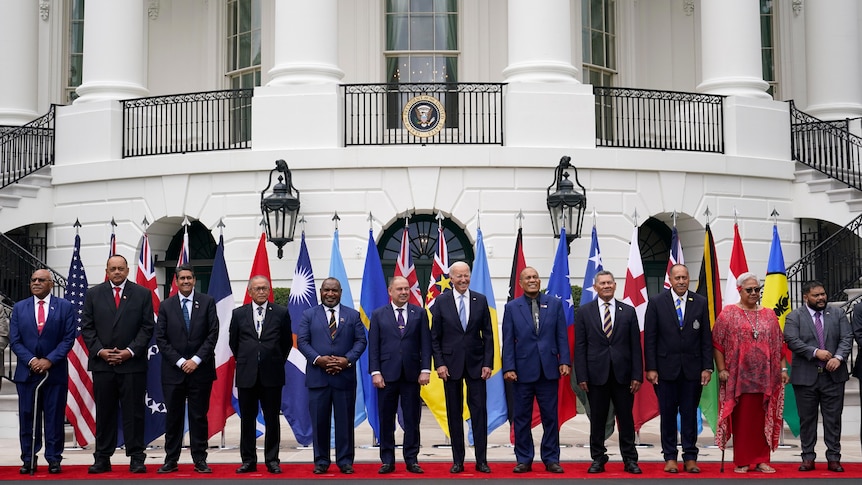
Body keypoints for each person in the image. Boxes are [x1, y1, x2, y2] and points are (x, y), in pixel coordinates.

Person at [81, 255, 154, 474]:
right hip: (103, 365)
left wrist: (129, 352)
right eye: (113, 269)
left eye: (121, 268)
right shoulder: (93, 294)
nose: (117, 272)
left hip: (132, 364)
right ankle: (102, 457)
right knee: (105, 413)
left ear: (128, 270)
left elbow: (147, 327)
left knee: (134, 413)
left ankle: (136, 457)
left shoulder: (142, 294)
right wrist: (101, 351)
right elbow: (87, 327)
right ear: (106, 270)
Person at [713, 272, 789, 474]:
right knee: (743, 422)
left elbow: (779, 345)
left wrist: (783, 369)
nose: (755, 293)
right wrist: (721, 369)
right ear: (740, 291)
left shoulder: (769, 314)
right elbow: (717, 344)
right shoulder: (728, 313)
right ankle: (743, 461)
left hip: (766, 379)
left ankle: (762, 459)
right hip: (739, 379)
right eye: (750, 290)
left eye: (757, 289)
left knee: (763, 419)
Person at [643, 264, 712, 474]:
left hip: (692, 370)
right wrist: (651, 368)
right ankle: (670, 456)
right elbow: (650, 338)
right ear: (670, 280)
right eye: (677, 278)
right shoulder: (656, 302)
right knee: (669, 415)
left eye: (684, 277)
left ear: (688, 278)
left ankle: (690, 456)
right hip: (665, 371)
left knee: (690, 414)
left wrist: (707, 367)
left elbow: (705, 338)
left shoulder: (699, 302)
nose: (681, 281)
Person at [501, 266, 570, 474]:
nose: (532, 280)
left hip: (548, 370)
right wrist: (509, 367)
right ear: (521, 283)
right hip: (522, 372)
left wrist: (564, 360)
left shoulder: (555, 304)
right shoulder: (512, 308)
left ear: (540, 281)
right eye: (528, 278)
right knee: (522, 418)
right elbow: (508, 340)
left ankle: (551, 458)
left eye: (535, 277)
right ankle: (524, 459)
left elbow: (561, 335)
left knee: (551, 417)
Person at [573, 270, 643, 475]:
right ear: (595, 287)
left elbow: (635, 347)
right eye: (602, 283)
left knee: (626, 419)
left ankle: (630, 459)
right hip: (596, 375)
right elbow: (580, 346)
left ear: (615, 285)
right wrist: (582, 376)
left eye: (609, 283)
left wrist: (637, 375)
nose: (606, 286)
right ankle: (598, 458)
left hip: (623, 375)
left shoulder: (628, 311)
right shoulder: (585, 312)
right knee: (598, 419)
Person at [297, 277, 367, 475]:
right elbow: (302, 342)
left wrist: (346, 360)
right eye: (326, 290)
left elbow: (361, 342)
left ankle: (345, 461)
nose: (330, 294)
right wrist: (319, 359)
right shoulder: (309, 315)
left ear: (340, 292)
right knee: (319, 423)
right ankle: (321, 461)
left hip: (344, 377)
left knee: (345, 422)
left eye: (334, 290)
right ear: (320, 292)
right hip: (318, 377)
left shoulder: (352, 316)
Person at [430, 261, 494, 474]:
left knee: (479, 413)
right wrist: (439, 363)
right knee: (454, 413)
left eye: (466, 275)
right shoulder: (441, 301)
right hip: (450, 366)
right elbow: (435, 337)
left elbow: (488, 335)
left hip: (477, 365)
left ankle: (481, 460)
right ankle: (458, 460)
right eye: (459, 276)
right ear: (451, 278)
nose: (464, 279)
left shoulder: (480, 300)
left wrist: (488, 363)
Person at [9, 269, 76, 474]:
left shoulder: (64, 307)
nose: (36, 283)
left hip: (54, 373)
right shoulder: (20, 308)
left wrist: (49, 360)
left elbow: (68, 338)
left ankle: (54, 458)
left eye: (41, 280)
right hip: (26, 374)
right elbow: (15, 340)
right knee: (27, 417)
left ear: (51, 284)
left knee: (54, 417)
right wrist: (31, 360)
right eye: (33, 280)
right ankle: (28, 458)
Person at [155, 264, 220, 474]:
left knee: (198, 416)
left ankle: (200, 458)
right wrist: (181, 361)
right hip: (173, 371)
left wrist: (196, 360)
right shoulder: (166, 306)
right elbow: (161, 339)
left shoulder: (207, 302)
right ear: (175, 281)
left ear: (194, 280)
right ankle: (171, 459)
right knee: (173, 417)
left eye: (189, 278)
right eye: (181, 278)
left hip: (200, 371)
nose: (185, 281)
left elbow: (213, 334)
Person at [784, 280, 851, 473]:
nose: (821, 298)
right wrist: (815, 352)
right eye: (816, 295)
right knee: (807, 420)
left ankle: (833, 458)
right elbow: (791, 340)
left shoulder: (837, 313)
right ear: (806, 297)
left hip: (833, 376)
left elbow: (847, 338)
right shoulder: (794, 317)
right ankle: (808, 458)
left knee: (833, 419)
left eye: (823, 294)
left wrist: (838, 357)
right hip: (805, 378)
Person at [368, 276, 432, 474]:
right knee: (386, 419)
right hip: (386, 375)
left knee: (412, 419)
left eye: (406, 289)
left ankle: (411, 459)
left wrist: (425, 369)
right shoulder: (378, 315)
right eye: (400, 289)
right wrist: (376, 372)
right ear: (390, 291)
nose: (404, 292)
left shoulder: (419, 313)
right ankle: (387, 459)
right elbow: (374, 347)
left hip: (412, 375)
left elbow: (425, 344)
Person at [228, 275, 292, 474]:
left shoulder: (281, 313)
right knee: (247, 419)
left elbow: (286, 343)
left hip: (272, 374)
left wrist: (271, 359)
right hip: (247, 374)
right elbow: (234, 343)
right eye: (258, 288)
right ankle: (248, 460)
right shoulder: (238, 314)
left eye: (265, 288)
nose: (262, 291)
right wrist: (250, 359)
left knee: (272, 418)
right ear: (250, 291)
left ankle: (272, 460)